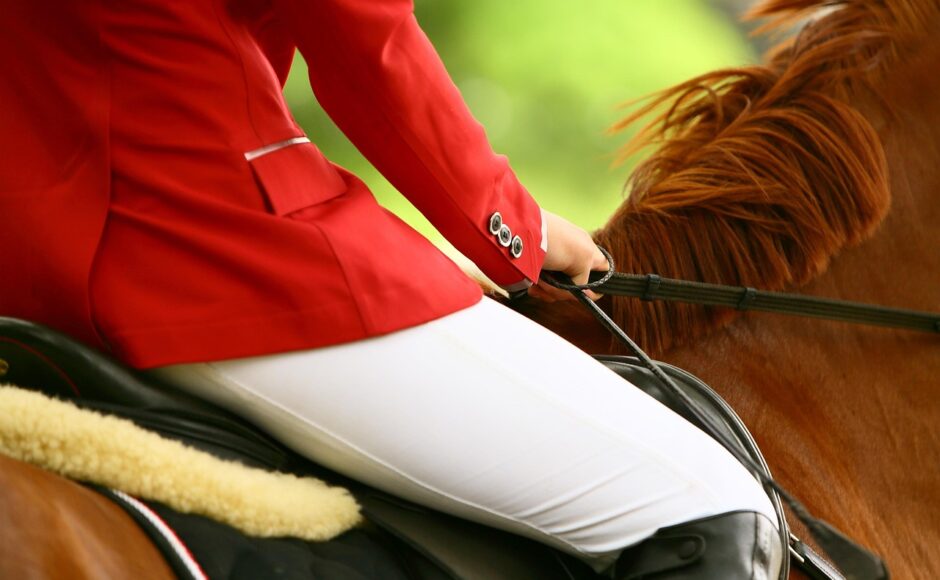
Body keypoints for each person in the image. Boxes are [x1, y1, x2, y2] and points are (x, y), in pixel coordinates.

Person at [0, 1, 781, 577]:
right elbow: (366, 41)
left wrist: (425, 270)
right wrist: (514, 226)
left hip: (36, 270)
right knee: (711, 504)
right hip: (216, 259)